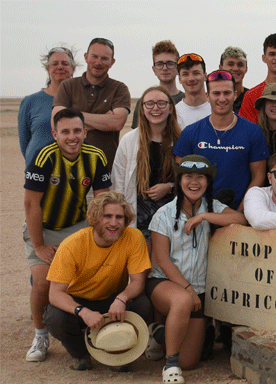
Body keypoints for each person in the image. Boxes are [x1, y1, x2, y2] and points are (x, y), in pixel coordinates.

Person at [146, 155, 246, 383]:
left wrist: (203, 216)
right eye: (188, 176)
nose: (194, 182)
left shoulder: (214, 208)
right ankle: (170, 366)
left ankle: (159, 334)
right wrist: (188, 289)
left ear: (208, 181)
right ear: (179, 180)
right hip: (164, 283)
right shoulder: (163, 214)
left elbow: (240, 219)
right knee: (181, 300)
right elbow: (162, 260)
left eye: (200, 176)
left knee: (189, 362)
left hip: (198, 290)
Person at [23, 108, 112, 363]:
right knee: (42, 282)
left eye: (76, 131)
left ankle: (84, 324)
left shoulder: (95, 156)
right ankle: (40, 334)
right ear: (55, 134)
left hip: (78, 224)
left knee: (86, 277)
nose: (71, 137)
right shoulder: (43, 157)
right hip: (45, 226)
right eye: (65, 132)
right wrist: (39, 245)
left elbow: (103, 200)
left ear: (85, 132)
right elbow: (31, 205)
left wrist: (99, 238)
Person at [43, 191, 152, 371]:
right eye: (107, 216)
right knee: (55, 318)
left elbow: (138, 282)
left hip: (112, 297)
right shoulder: (72, 245)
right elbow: (55, 294)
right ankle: (81, 354)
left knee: (143, 304)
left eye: (119, 217)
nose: (114, 223)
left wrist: (122, 298)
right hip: (79, 300)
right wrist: (82, 311)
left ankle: (118, 351)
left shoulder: (133, 237)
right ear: (95, 218)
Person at [174, 70, 270, 212]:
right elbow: (181, 177)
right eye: (216, 93)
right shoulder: (190, 132)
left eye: (227, 93)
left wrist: (239, 214)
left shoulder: (253, 132)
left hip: (239, 213)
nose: (222, 98)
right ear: (207, 96)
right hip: (200, 213)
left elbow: (258, 177)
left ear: (235, 95)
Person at [112, 86, 181, 255]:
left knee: (166, 262)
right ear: (142, 109)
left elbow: (190, 179)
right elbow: (118, 182)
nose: (155, 108)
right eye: (149, 104)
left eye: (161, 103)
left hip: (170, 215)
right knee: (142, 267)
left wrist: (169, 186)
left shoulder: (181, 139)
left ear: (171, 108)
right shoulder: (129, 140)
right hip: (139, 216)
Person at [52, 38, 130, 166]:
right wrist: (104, 119)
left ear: (112, 62)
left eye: (104, 58)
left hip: (104, 168)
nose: (98, 62)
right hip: (68, 167)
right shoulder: (67, 86)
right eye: (94, 56)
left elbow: (117, 122)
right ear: (86, 57)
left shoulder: (119, 89)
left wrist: (71, 118)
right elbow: (56, 121)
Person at [19, 45, 77, 170]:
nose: (60, 67)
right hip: (38, 171)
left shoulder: (81, 99)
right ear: (48, 68)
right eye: (55, 63)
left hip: (75, 171)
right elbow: (24, 142)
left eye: (65, 63)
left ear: (73, 68)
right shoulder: (30, 101)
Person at [131, 40, 185, 129]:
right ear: (154, 70)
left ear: (178, 68)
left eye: (170, 63)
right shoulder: (145, 102)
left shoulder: (186, 101)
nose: (164, 68)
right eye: (159, 64)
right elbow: (138, 137)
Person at [175, 53, 210, 129]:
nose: (191, 79)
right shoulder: (174, 114)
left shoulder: (219, 110)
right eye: (185, 74)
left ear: (205, 76)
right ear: (179, 79)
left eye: (196, 73)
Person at [219, 46, 249, 114]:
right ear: (220, 68)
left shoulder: (252, 98)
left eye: (240, 65)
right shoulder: (212, 98)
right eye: (230, 64)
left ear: (246, 69)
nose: (235, 69)